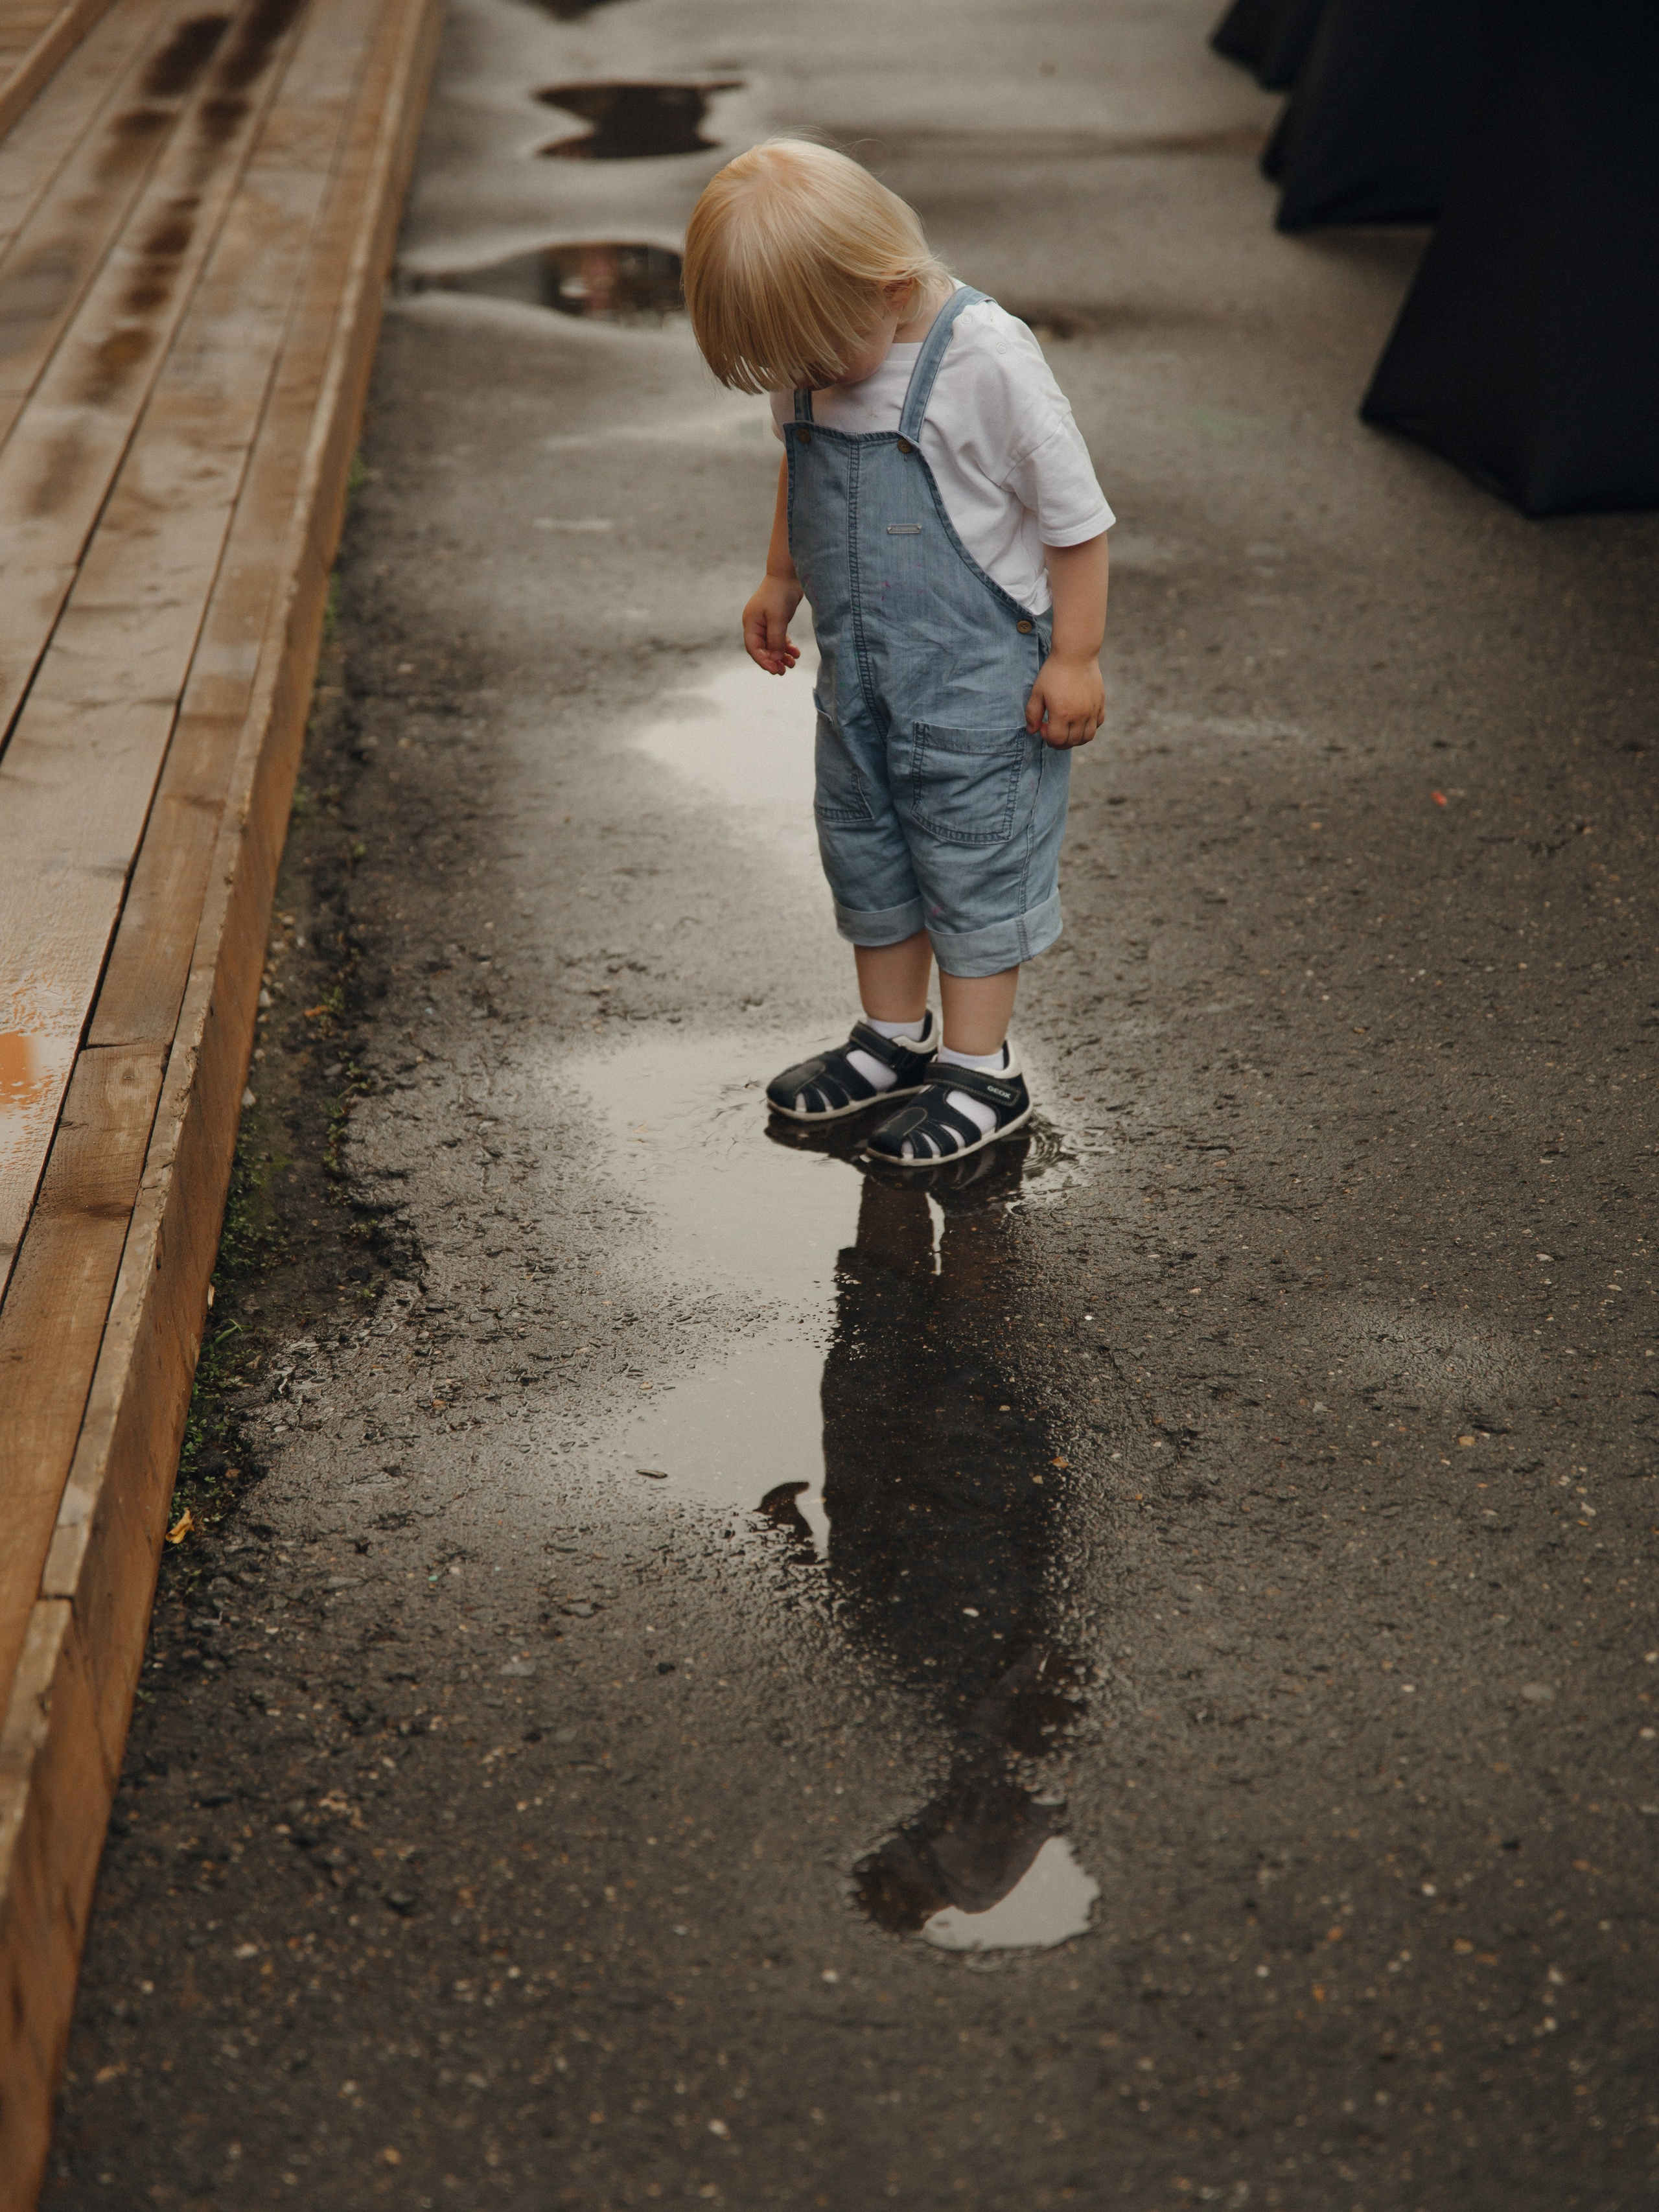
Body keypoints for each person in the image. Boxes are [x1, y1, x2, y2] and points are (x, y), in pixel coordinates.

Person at [684, 139, 1113, 1163]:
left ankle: (981, 1069)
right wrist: (782, 578)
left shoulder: (985, 358)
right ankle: (891, 1038)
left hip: (979, 688)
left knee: (972, 866)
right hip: (862, 682)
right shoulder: (814, 356)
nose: (810, 383)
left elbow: (1076, 519)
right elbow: (800, 467)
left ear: (889, 287)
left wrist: (1077, 656)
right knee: (869, 849)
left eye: (822, 363)